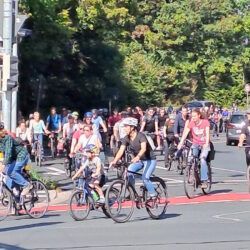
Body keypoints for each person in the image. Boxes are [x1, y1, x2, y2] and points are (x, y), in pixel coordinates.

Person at [110, 117, 157, 199]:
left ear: (132, 127)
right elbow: (121, 150)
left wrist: (138, 157)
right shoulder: (126, 138)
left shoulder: (141, 136)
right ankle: (133, 193)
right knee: (128, 173)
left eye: (126, 126)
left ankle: (153, 195)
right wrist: (114, 161)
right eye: (124, 126)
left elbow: (143, 148)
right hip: (139, 161)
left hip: (149, 160)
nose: (124, 128)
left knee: (145, 178)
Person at [177, 108, 210, 188]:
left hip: (204, 144)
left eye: (195, 116)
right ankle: (193, 175)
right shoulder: (191, 123)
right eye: (192, 116)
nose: (193, 118)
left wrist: (206, 143)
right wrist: (181, 143)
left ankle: (204, 180)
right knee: (192, 158)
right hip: (195, 144)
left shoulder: (205, 122)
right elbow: (185, 133)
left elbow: (208, 134)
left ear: (199, 115)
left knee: (202, 159)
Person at [0, 122, 33, 196]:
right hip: (13, 159)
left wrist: (3, 164)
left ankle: (26, 185)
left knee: (11, 172)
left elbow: (8, 152)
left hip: (21, 155)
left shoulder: (7, 138)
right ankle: (17, 199)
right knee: (9, 179)